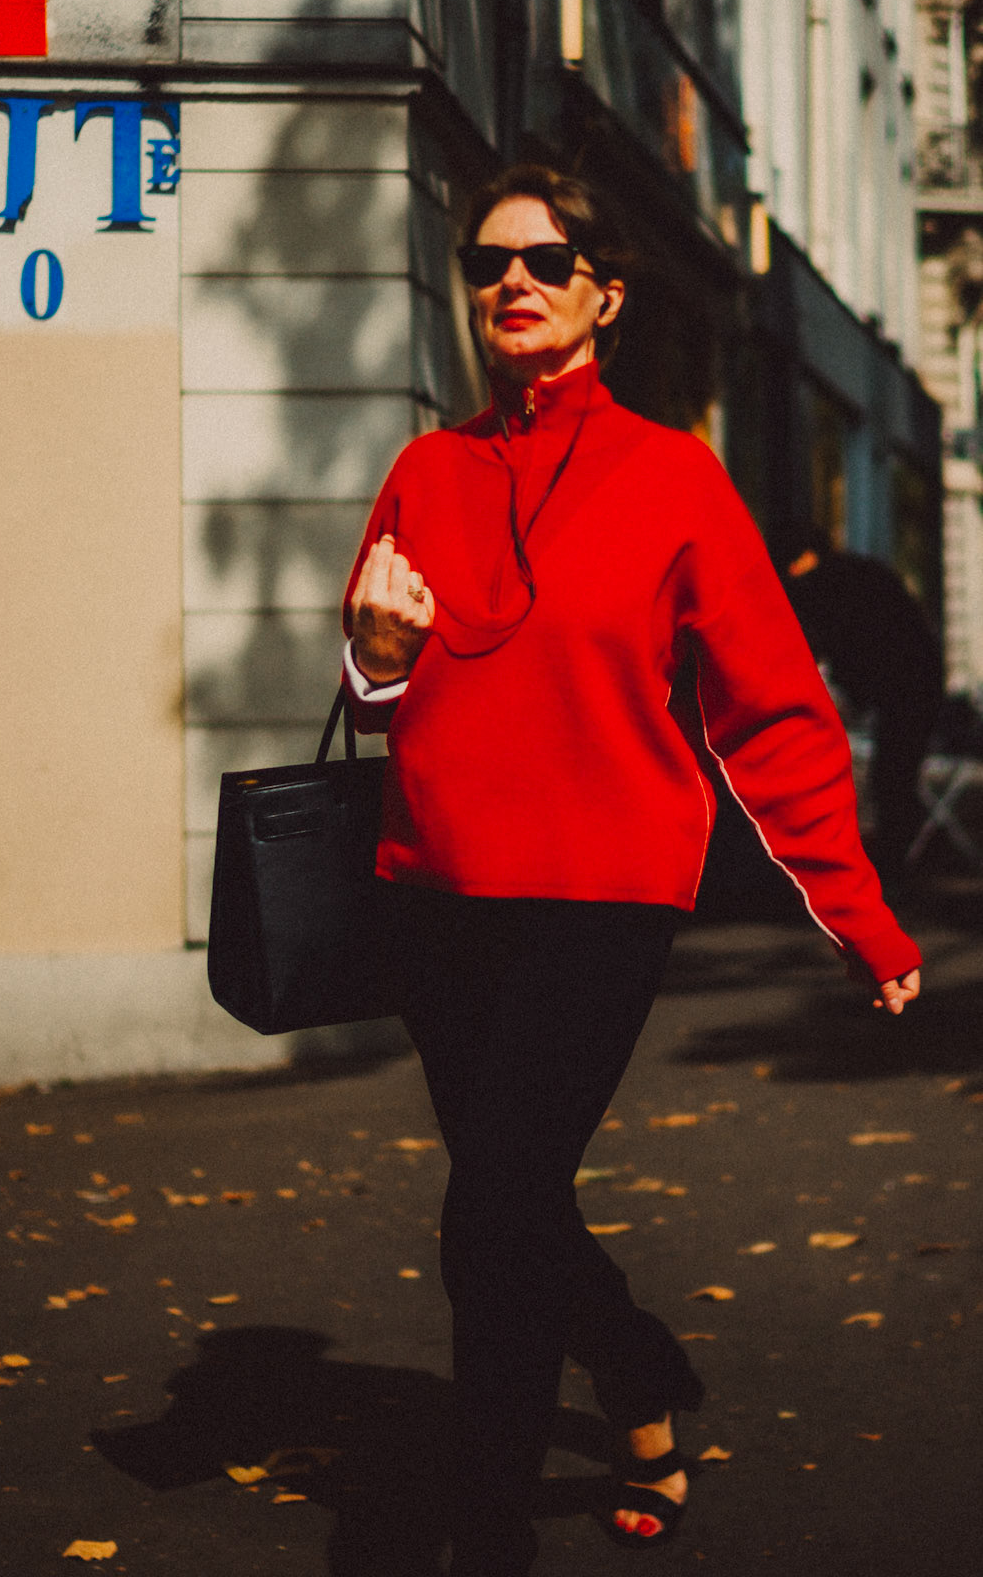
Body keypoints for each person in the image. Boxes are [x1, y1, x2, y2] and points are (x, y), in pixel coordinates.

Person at [340, 165, 921, 1576]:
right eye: (487, 263)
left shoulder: (673, 476)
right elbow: (370, 694)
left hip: (599, 905)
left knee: (490, 1209)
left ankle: (483, 1530)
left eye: (545, 260)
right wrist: (374, 649)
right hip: (436, 899)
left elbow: (773, 712)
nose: (511, 284)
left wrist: (857, 913)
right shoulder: (425, 471)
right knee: (506, 1199)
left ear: (604, 291)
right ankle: (642, 1378)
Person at [779, 529, 945, 877]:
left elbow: (838, 642)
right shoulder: (853, 575)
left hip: (908, 682)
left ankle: (898, 862)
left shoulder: (829, 585)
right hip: (912, 679)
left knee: (892, 775)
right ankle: (912, 851)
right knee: (894, 775)